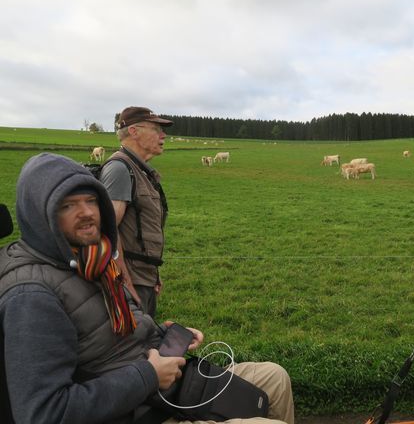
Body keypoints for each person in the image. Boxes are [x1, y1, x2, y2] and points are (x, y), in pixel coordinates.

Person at [0, 153, 294, 424]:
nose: (87, 213)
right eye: (67, 206)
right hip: (138, 411)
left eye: (91, 201)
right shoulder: (31, 296)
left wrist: (165, 337)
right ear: (41, 216)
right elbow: (44, 413)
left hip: (162, 388)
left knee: (275, 379)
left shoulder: (93, 259)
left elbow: (114, 335)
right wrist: (149, 375)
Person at [100, 106, 173, 317]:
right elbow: (108, 230)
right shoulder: (120, 169)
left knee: (147, 342)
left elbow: (139, 230)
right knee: (136, 346)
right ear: (134, 131)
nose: (163, 135)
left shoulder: (138, 169)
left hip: (144, 276)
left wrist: (153, 273)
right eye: (156, 129)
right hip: (130, 281)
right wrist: (125, 282)